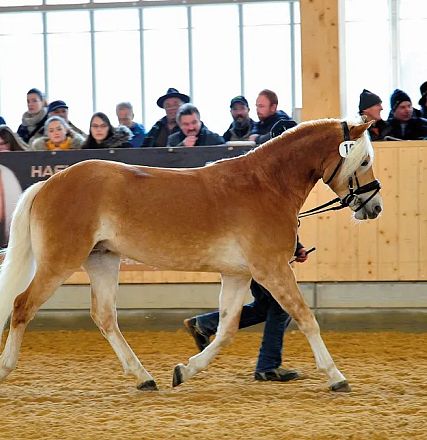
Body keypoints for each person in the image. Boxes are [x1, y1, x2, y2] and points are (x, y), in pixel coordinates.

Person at [184, 241, 309, 382]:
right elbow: (274, 222)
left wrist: (297, 247)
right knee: (281, 306)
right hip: (260, 256)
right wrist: (297, 247)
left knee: (264, 307)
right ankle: (267, 367)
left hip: (248, 254)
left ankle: (204, 324)